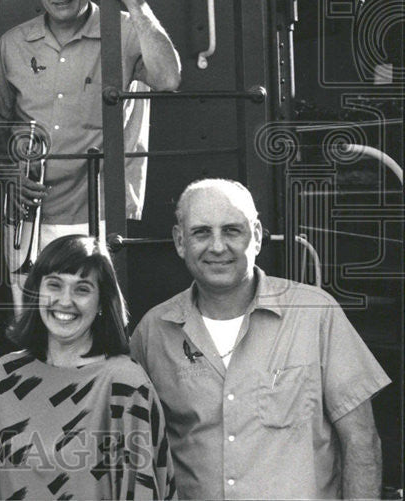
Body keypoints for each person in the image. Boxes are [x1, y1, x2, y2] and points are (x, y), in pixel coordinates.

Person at [131, 178, 390, 499]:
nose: (217, 246)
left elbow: (361, 441)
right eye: (201, 232)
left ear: (255, 236)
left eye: (231, 230)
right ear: (180, 241)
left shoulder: (314, 313)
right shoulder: (153, 331)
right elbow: (137, 454)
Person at [0, 0, 181, 310]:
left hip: (100, 212)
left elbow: (169, 78)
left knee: (98, 326)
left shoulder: (123, 30)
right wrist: (8, 172)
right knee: (34, 322)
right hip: (29, 215)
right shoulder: (13, 44)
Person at [0, 235, 175, 500]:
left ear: (102, 302)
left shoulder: (124, 384)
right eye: (54, 285)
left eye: (82, 289)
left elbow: (141, 491)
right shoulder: (1, 378)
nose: (65, 300)